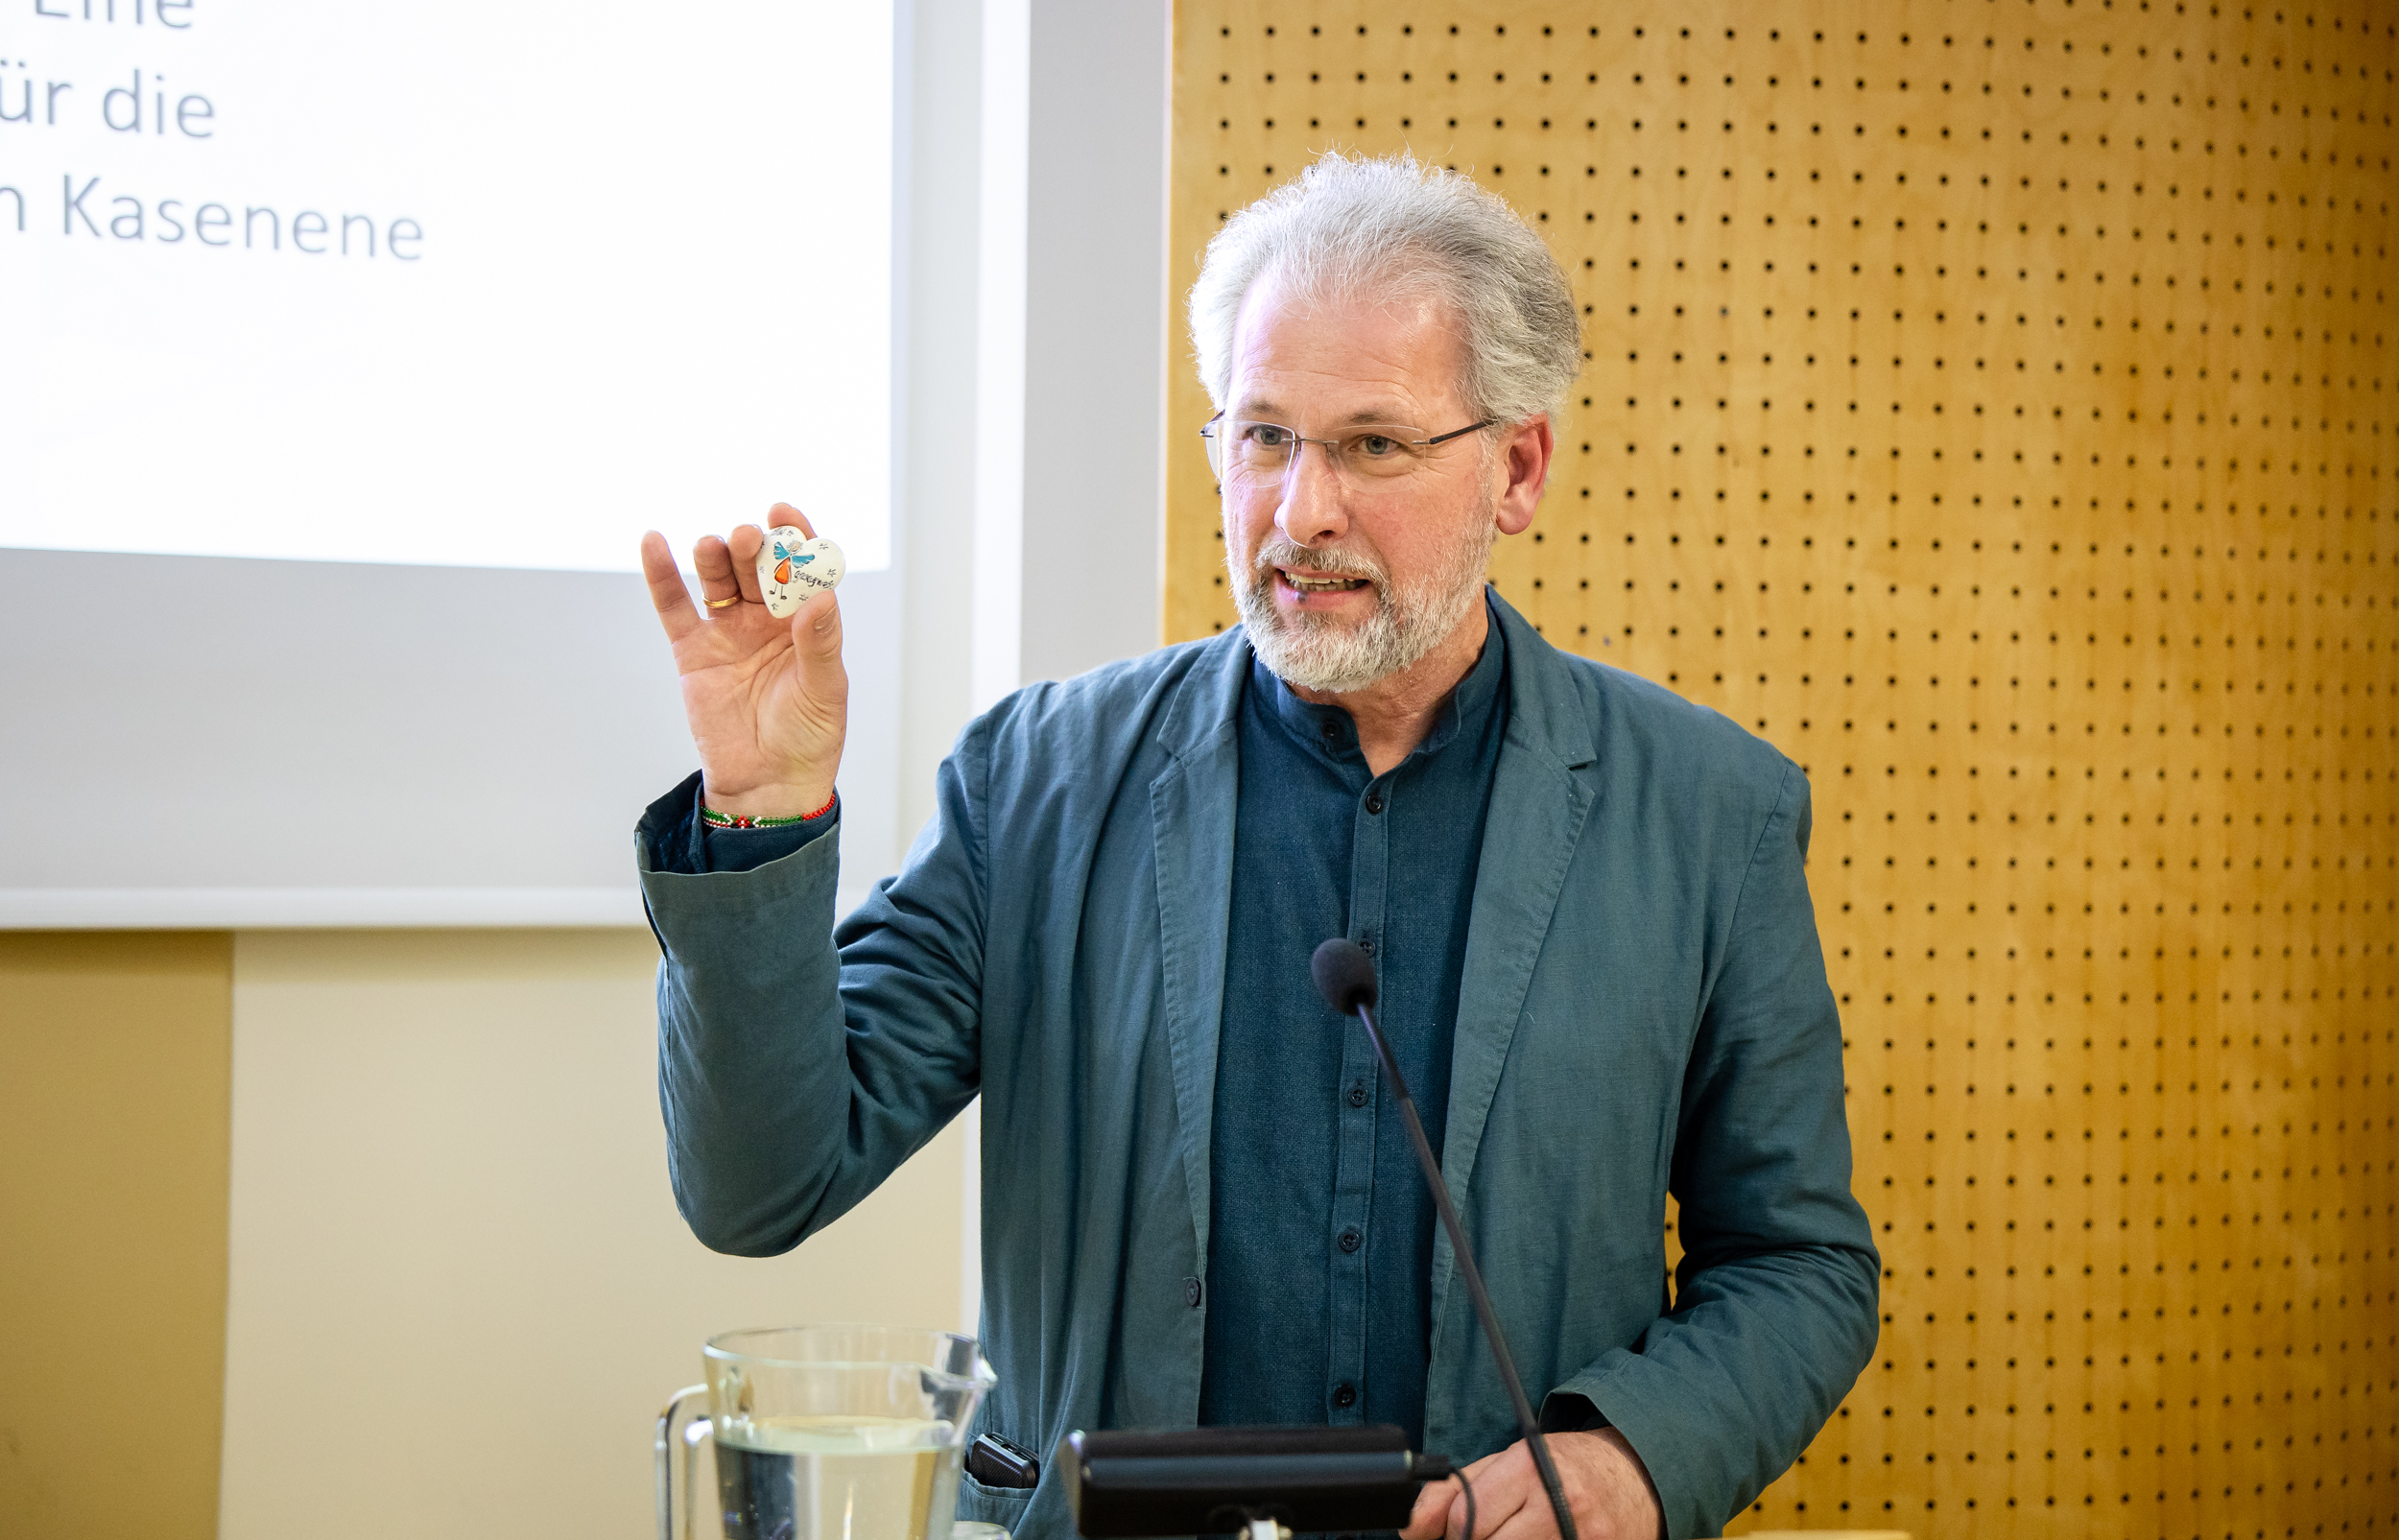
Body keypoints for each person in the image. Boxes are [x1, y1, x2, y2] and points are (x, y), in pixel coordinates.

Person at [633, 154, 1879, 1540]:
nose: (1301, 512)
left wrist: (1626, 1459)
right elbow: (760, 1186)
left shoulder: (1711, 814)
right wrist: (761, 805)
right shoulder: (1034, 780)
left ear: (1517, 469)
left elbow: (1798, 1265)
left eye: (1374, 445)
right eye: (1266, 436)